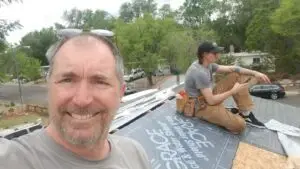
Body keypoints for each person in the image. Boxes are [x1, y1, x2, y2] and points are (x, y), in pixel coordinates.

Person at [0, 33, 151, 169]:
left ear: (120, 93)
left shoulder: (135, 155)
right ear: (49, 87)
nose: (82, 100)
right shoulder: (12, 160)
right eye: (67, 80)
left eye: (100, 82)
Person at [184, 42, 271, 134]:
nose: (218, 55)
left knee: (236, 75)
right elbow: (211, 101)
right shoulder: (199, 72)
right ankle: (222, 116)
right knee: (240, 126)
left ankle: (245, 114)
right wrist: (233, 91)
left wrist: (255, 73)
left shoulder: (207, 64)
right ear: (204, 54)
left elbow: (233, 68)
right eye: (214, 53)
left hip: (207, 97)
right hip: (200, 107)